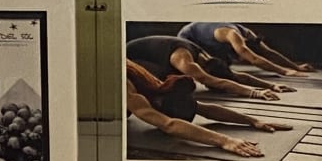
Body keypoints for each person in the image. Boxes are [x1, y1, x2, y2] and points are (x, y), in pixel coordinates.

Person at [124, 62, 286, 159]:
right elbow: (169, 124)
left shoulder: (156, 85)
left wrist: (253, 121)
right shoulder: (128, 90)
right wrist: (225, 140)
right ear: (159, 104)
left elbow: (205, 109)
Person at [124, 31, 289, 100]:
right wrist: (255, 93)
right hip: (127, 58)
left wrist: (271, 85)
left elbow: (234, 76)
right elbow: (214, 80)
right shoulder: (185, 61)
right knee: (170, 86)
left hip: (149, 54)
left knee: (179, 78)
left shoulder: (206, 57)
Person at [173, 19, 314, 79]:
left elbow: (268, 52)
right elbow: (254, 59)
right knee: (209, 70)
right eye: (242, 55)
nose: (242, 59)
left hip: (211, 41)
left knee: (223, 68)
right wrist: (285, 71)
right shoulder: (232, 35)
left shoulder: (248, 34)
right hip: (189, 37)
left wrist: (296, 67)